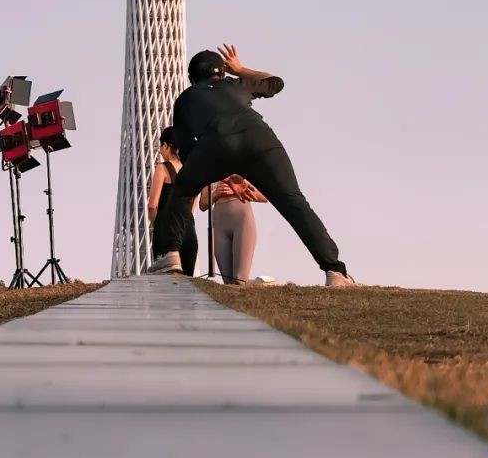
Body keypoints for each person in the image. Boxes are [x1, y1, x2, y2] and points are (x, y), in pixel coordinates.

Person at [151, 43, 356, 287]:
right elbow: (275, 83)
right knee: (294, 203)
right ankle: (335, 271)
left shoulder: (185, 100)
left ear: (192, 79)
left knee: (182, 190)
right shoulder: (236, 85)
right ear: (222, 73)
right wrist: (240, 69)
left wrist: (208, 170)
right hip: (262, 143)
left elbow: (185, 148)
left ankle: (170, 255)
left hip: (216, 145)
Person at [199, 175, 269, 284]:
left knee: (239, 279)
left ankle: (265, 284)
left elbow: (265, 196)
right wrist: (215, 194)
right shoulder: (208, 170)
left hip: (242, 220)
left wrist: (237, 191)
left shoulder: (246, 167)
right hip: (219, 224)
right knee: (228, 281)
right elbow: (202, 205)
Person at [148, 127, 199, 277]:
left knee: (164, 284)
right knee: (187, 284)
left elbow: (152, 205)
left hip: (168, 232)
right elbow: (192, 205)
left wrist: (156, 224)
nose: (160, 151)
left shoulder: (163, 168)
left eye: (161, 146)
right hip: (189, 233)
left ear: (166, 145)